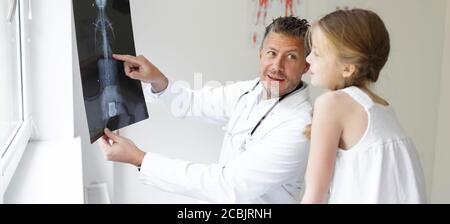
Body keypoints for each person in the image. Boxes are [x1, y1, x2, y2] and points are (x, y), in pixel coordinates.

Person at [98, 16, 313, 203]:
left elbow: (229, 186)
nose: (277, 65)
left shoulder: (299, 126)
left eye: (291, 57)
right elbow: (193, 103)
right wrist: (157, 80)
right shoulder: (250, 91)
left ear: (306, 65)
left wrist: (140, 159)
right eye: (272, 53)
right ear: (260, 54)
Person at [301, 9, 426, 204]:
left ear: (347, 68)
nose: (308, 60)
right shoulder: (383, 109)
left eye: (316, 53)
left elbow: (315, 195)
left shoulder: (331, 104)